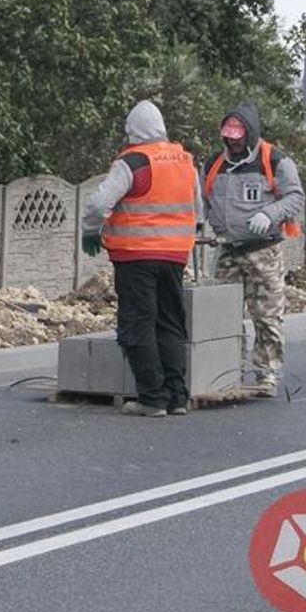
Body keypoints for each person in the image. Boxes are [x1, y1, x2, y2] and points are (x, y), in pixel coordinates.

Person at [81, 100, 200, 418]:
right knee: (170, 323)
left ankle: (152, 398)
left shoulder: (133, 162)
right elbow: (197, 209)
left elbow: (98, 204)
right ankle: (177, 397)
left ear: (132, 130)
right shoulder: (184, 160)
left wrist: (91, 231)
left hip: (136, 256)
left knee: (138, 324)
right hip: (175, 256)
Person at [201, 102, 305, 396]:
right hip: (228, 250)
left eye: (238, 134)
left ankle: (266, 373)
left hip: (264, 250)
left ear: (250, 133)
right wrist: (200, 223)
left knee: (266, 314)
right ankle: (226, 369)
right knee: (222, 314)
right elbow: (203, 200)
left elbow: (296, 197)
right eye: (228, 134)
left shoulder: (275, 161)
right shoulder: (213, 165)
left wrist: (270, 214)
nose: (232, 140)